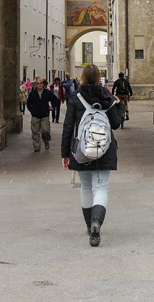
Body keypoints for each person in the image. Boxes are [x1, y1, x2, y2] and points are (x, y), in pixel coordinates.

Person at [61, 64, 124, 247]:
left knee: (86, 187)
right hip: (104, 148)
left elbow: (68, 127)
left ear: (82, 77)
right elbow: (115, 124)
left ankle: (90, 226)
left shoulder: (76, 98)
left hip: (82, 149)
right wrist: (119, 106)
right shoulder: (107, 97)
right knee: (101, 187)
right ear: (98, 78)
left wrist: (65, 154)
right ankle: (97, 221)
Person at [25, 78, 59, 152]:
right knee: (35, 132)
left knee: (45, 131)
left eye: (41, 83)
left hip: (44, 115)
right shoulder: (32, 94)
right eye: (38, 83)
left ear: (43, 84)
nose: (39, 85)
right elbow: (28, 104)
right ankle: (36, 146)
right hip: (35, 115)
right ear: (36, 85)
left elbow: (55, 99)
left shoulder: (47, 92)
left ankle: (46, 141)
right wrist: (32, 111)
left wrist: (53, 106)